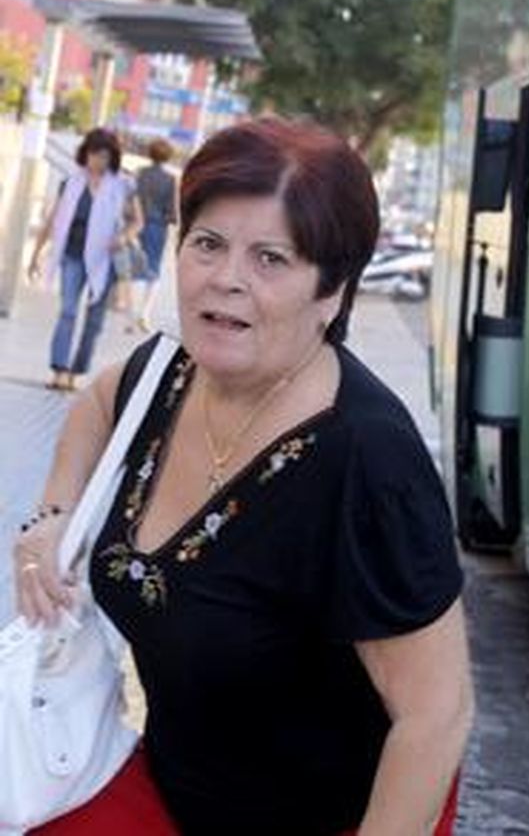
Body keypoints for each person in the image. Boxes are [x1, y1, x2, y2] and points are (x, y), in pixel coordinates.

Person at [10, 118, 473, 835]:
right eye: (208, 244)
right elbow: (98, 403)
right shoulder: (164, 378)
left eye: (271, 259)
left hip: (341, 815)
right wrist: (51, 518)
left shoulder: (368, 463)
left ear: (332, 292)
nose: (226, 279)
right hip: (173, 788)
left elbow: (437, 714)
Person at [29, 129, 144, 392]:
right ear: (86, 153)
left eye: (104, 156)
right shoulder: (71, 182)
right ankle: (59, 370)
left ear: (111, 157)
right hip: (71, 256)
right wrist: (36, 255)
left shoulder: (122, 184)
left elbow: (138, 222)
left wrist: (123, 238)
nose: (98, 161)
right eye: (94, 154)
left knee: (94, 322)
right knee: (68, 311)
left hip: (104, 261)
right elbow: (52, 220)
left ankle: (76, 372)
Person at [128, 138, 179, 334]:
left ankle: (131, 315)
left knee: (134, 269)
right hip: (158, 228)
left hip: (136, 225)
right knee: (153, 271)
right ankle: (144, 312)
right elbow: (172, 211)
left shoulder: (139, 174)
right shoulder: (170, 180)